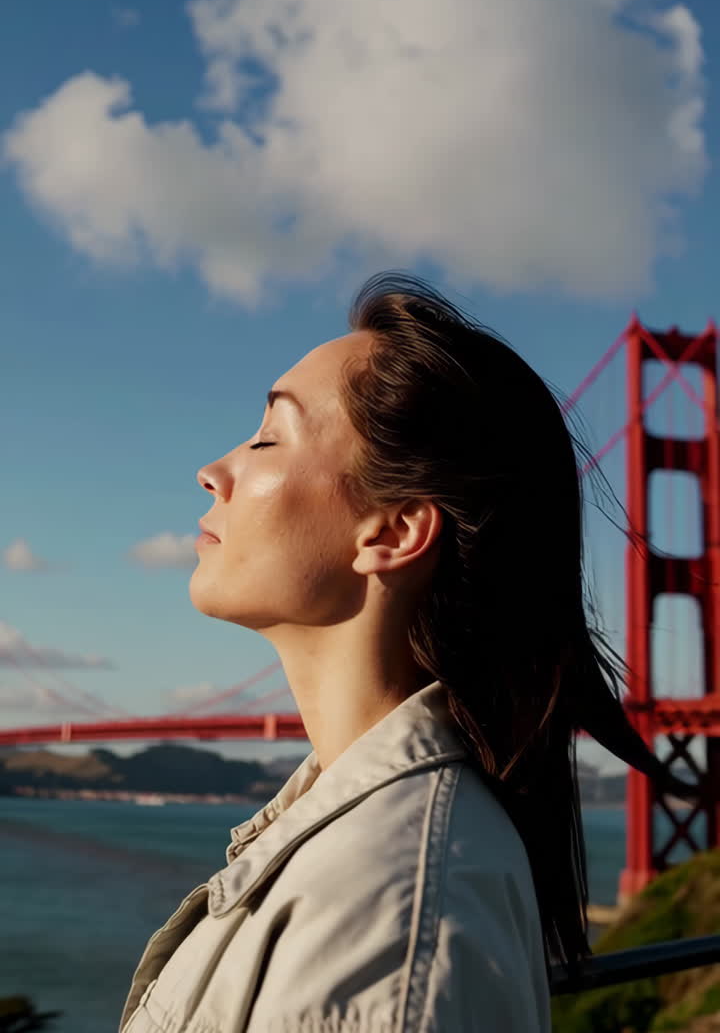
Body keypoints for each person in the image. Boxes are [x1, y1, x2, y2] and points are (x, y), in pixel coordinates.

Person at [118, 271, 693, 1033]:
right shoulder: (370, 860)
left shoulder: (386, 933)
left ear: (392, 533)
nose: (212, 471)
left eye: (267, 437)